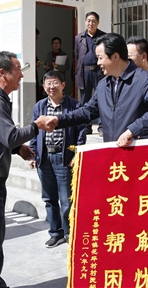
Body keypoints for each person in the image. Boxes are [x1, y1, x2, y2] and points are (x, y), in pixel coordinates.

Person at [0, 51, 52, 288]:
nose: (22, 75)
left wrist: (16, 149)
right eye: (18, 69)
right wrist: (36, 126)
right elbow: (10, 135)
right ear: (3, 73)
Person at [46, 33, 148, 147]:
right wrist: (58, 120)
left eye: (100, 58)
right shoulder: (103, 85)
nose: (98, 63)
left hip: (137, 155)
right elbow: (87, 112)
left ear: (115, 56)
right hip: (112, 154)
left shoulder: (144, 80)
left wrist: (133, 130)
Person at [29, 71, 86, 248]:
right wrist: (33, 153)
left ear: (63, 85)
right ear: (43, 86)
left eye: (55, 83)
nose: (51, 87)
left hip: (64, 158)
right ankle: (55, 233)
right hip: (44, 157)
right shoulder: (39, 107)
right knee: (49, 198)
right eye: (48, 83)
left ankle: (69, 233)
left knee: (66, 199)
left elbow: (81, 131)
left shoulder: (74, 105)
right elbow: (34, 131)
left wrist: (76, 153)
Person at [74, 11, 106, 135]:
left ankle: (102, 127)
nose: (91, 23)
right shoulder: (79, 38)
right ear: (85, 22)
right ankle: (86, 127)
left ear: (98, 23)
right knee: (85, 101)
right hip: (85, 72)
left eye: (93, 21)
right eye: (89, 21)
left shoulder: (103, 37)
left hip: (100, 72)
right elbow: (77, 55)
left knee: (102, 98)